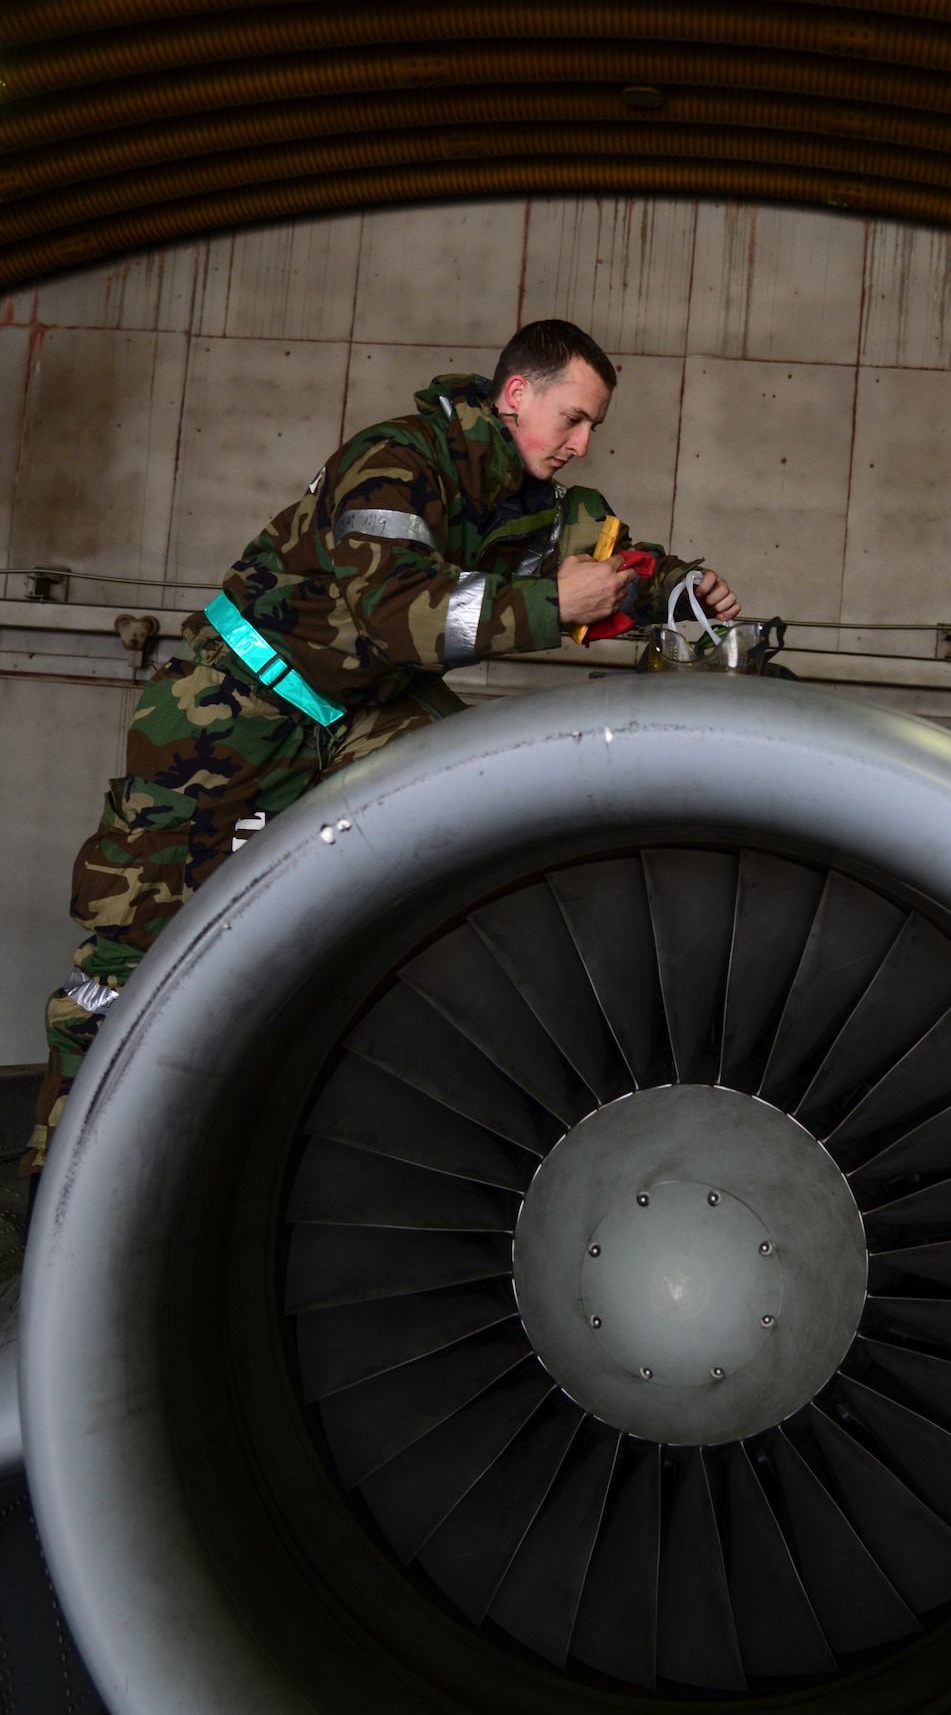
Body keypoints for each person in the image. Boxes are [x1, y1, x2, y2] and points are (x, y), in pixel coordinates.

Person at [22, 318, 739, 1176]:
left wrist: (677, 587)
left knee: (457, 807)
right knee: (135, 960)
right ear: (517, 395)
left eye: (593, 428)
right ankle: (52, 1197)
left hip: (351, 710)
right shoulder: (397, 463)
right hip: (229, 713)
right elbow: (396, 618)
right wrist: (553, 608)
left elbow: (598, 556)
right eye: (573, 419)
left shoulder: (520, 499)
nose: (581, 445)